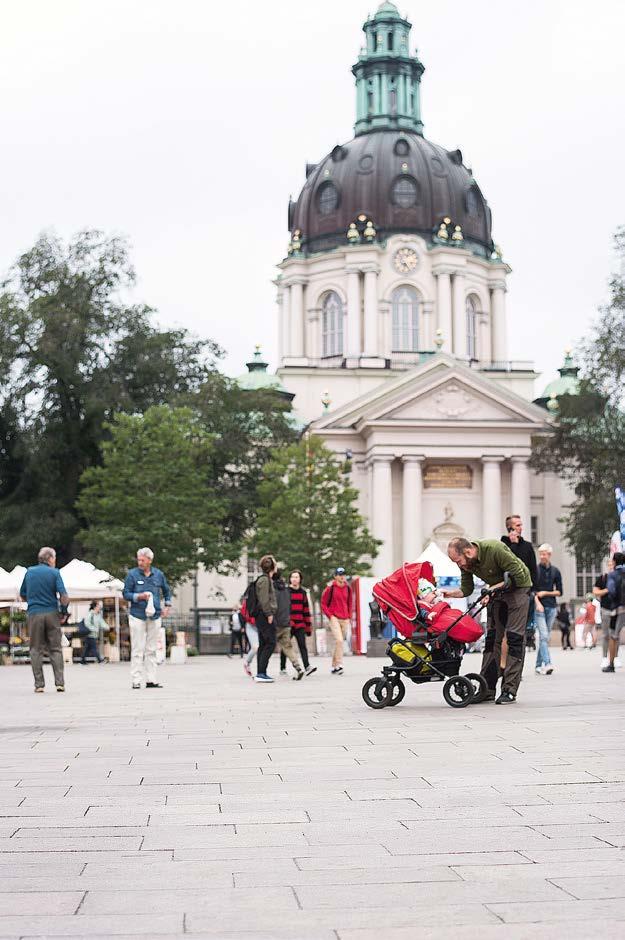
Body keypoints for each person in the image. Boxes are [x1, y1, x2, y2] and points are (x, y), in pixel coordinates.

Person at [443, 537, 532, 704]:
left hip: (519, 588)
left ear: (468, 552)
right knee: (491, 640)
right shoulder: (466, 564)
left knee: (514, 638)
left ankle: (509, 690)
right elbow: (467, 589)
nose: (459, 565)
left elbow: (518, 576)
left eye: (459, 561)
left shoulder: (495, 549)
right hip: (497, 590)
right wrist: (449, 594)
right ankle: (487, 688)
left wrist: (491, 590)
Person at [19, 546, 69, 693]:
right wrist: (64, 612)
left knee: (35, 649)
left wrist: (33, 602)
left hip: (34, 614)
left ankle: (39, 685)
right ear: (50, 559)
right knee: (55, 649)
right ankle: (59, 683)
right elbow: (64, 597)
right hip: (52, 613)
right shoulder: (55, 573)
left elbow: (22, 594)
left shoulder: (29, 572)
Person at [123, 547, 172, 690]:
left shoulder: (158, 575)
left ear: (150, 560)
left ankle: (151, 679)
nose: (140, 562)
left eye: (143, 560)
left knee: (152, 649)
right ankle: (136, 679)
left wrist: (167, 605)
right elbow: (126, 593)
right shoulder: (132, 575)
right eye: (138, 559)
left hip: (155, 615)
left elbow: (166, 591)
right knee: (138, 648)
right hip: (137, 615)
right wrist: (138, 596)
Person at [501, 514, 537, 651]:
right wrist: (514, 544)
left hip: (523, 592)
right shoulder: (503, 544)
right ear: (510, 528)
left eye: (521, 525)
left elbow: (533, 570)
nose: (521, 528)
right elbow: (508, 563)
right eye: (518, 525)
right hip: (506, 592)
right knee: (505, 630)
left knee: (518, 631)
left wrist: (533, 591)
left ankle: (515, 665)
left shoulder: (527, 546)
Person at [534, 544, 563, 675]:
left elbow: (559, 592)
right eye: (540, 554)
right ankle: (548, 663)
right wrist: (537, 603)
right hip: (539, 608)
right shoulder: (535, 570)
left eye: (544, 554)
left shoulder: (555, 571)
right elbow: (532, 590)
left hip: (551, 607)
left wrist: (545, 593)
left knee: (544, 638)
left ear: (549, 555)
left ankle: (538, 665)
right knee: (544, 636)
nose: (542, 556)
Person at [273, 570, 304, 680]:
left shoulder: (273, 590)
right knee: (288, 647)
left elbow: (272, 607)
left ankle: (261, 671)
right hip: (286, 623)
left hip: (275, 623)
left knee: (266, 646)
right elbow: (289, 606)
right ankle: (298, 667)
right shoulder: (286, 591)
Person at [321, 567, 352, 675]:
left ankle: (334, 666)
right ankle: (339, 664)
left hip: (345, 618)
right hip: (334, 617)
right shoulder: (330, 588)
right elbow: (323, 604)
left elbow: (350, 603)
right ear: (335, 576)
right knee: (339, 640)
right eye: (339, 574)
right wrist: (330, 616)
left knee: (339, 643)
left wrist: (349, 616)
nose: (342, 576)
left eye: (343, 574)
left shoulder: (348, 588)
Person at [254, 554, 278, 682]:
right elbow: (264, 599)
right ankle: (261, 673)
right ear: (272, 566)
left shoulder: (266, 579)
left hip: (263, 615)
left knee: (264, 644)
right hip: (264, 616)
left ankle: (261, 673)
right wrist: (269, 614)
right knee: (270, 643)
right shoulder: (264, 580)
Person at [287, 570, 316, 676]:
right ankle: (282, 667)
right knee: (286, 646)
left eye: (297, 577)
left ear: (300, 579)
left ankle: (307, 666)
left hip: (300, 624)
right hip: (289, 624)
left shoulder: (303, 592)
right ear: (290, 579)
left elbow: (306, 610)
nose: (294, 579)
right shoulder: (286, 591)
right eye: (293, 577)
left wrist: (308, 627)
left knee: (302, 645)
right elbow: (284, 609)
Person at [594, 559, 619, 669]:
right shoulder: (603, 578)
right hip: (605, 609)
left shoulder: (618, 577)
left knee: (615, 635)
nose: (611, 566)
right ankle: (605, 658)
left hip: (617, 609)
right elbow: (595, 592)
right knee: (605, 635)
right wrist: (607, 590)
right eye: (609, 565)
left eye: (612, 564)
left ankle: (615, 657)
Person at [603, 551, 625, 673]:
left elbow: (611, 591)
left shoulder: (612, 575)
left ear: (615, 561)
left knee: (613, 636)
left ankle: (611, 664)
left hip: (618, 609)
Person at [81, 600, 108, 664]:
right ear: (95, 607)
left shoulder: (98, 615)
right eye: (98, 606)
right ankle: (100, 660)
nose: (99, 607)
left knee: (87, 648)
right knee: (94, 648)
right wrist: (94, 629)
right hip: (89, 634)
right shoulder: (90, 614)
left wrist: (107, 627)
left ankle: (82, 660)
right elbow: (87, 623)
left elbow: (101, 622)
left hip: (94, 634)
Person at [240, 597, 258, 677]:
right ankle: (247, 662)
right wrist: (243, 626)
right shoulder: (248, 599)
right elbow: (242, 613)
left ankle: (261, 671)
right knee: (255, 647)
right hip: (251, 625)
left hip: (262, 625)